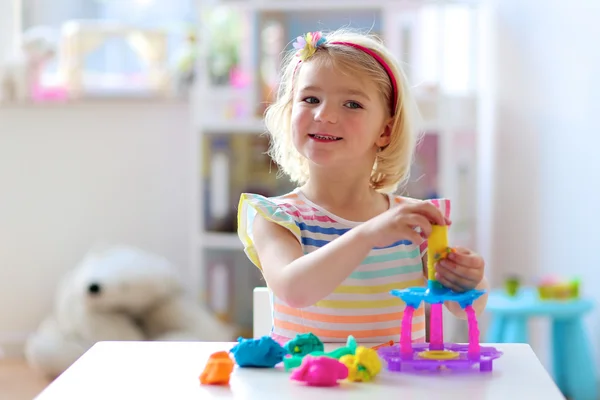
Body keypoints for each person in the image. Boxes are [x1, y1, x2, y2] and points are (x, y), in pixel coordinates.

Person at [237, 29, 489, 344]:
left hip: (398, 389)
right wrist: (370, 234)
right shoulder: (275, 218)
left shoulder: (410, 223)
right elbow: (293, 290)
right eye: (311, 98)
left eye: (352, 104)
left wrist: (469, 280)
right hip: (311, 388)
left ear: (385, 131)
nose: (325, 114)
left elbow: (462, 305)